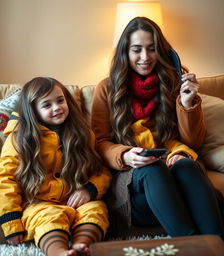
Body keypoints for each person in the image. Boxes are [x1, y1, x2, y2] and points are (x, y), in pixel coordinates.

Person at [91, 17, 224, 238]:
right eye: (137, 50)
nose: (145, 58)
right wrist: (124, 156)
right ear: (126, 52)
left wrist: (187, 104)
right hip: (135, 181)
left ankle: (216, 244)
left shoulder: (173, 82)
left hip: (173, 167)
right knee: (153, 168)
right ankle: (191, 246)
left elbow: (193, 143)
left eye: (152, 49)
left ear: (161, 51)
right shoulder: (107, 88)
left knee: (189, 166)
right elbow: (98, 142)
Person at [0, 77, 111, 256]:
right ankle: (60, 252)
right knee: (48, 218)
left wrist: (89, 190)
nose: (57, 108)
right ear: (33, 111)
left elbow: (100, 170)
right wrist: (11, 224)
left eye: (60, 100)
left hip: (75, 198)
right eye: (47, 105)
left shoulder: (83, 133)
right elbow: (5, 180)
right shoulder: (19, 139)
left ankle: (81, 246)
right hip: (38, 202)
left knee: (95, 210)